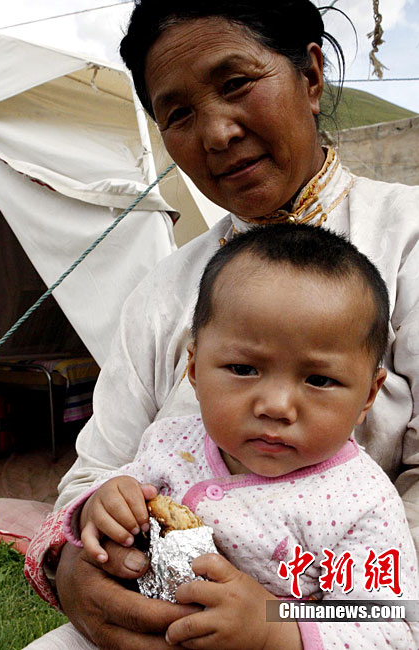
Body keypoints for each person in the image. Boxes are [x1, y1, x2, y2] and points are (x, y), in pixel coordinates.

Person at [23, 1, 419, 648]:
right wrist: (73, 568)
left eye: (236, 83)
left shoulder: (408, 244)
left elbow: (393, 604)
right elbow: (97, 475)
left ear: (310, 76)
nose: (215, 133)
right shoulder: (161, 296)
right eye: (178, 114)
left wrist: (280, 624)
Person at [62, 225, 418, 649]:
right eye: (244, 369)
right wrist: (101, 506)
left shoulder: (360, 503)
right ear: (194, 369)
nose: (276, 406)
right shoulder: (169, 443)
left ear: (368, 396)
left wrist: (273, 627)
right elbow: (116, 495)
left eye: (319, 379)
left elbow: (386, 625)